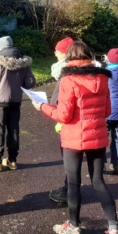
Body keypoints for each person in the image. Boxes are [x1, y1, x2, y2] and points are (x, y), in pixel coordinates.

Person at [32, 41, 118, 234]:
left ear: (69, 58)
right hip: (98, 138)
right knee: (99, 181)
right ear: (90, 56)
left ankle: (74, 226)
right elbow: (108, 111)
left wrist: (42, 107)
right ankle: (114, 229)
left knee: (73, 183)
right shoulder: (103, 78)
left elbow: (63, 115)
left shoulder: (68, 80)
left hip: (73, 139)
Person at [0, 35, 36, 172]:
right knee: (13, 130)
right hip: (15, 102)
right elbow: (31, 82)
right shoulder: (23, 62)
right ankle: (12, 161)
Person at [49, 37, 74, 205]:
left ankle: (70, 192)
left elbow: (57, 102)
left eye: (57, 50)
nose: (55, 53)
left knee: (69, 159)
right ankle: (71, 189)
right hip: (87, 124)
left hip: (70, 124)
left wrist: (44, 106)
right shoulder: (93, 71)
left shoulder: (67, 73)